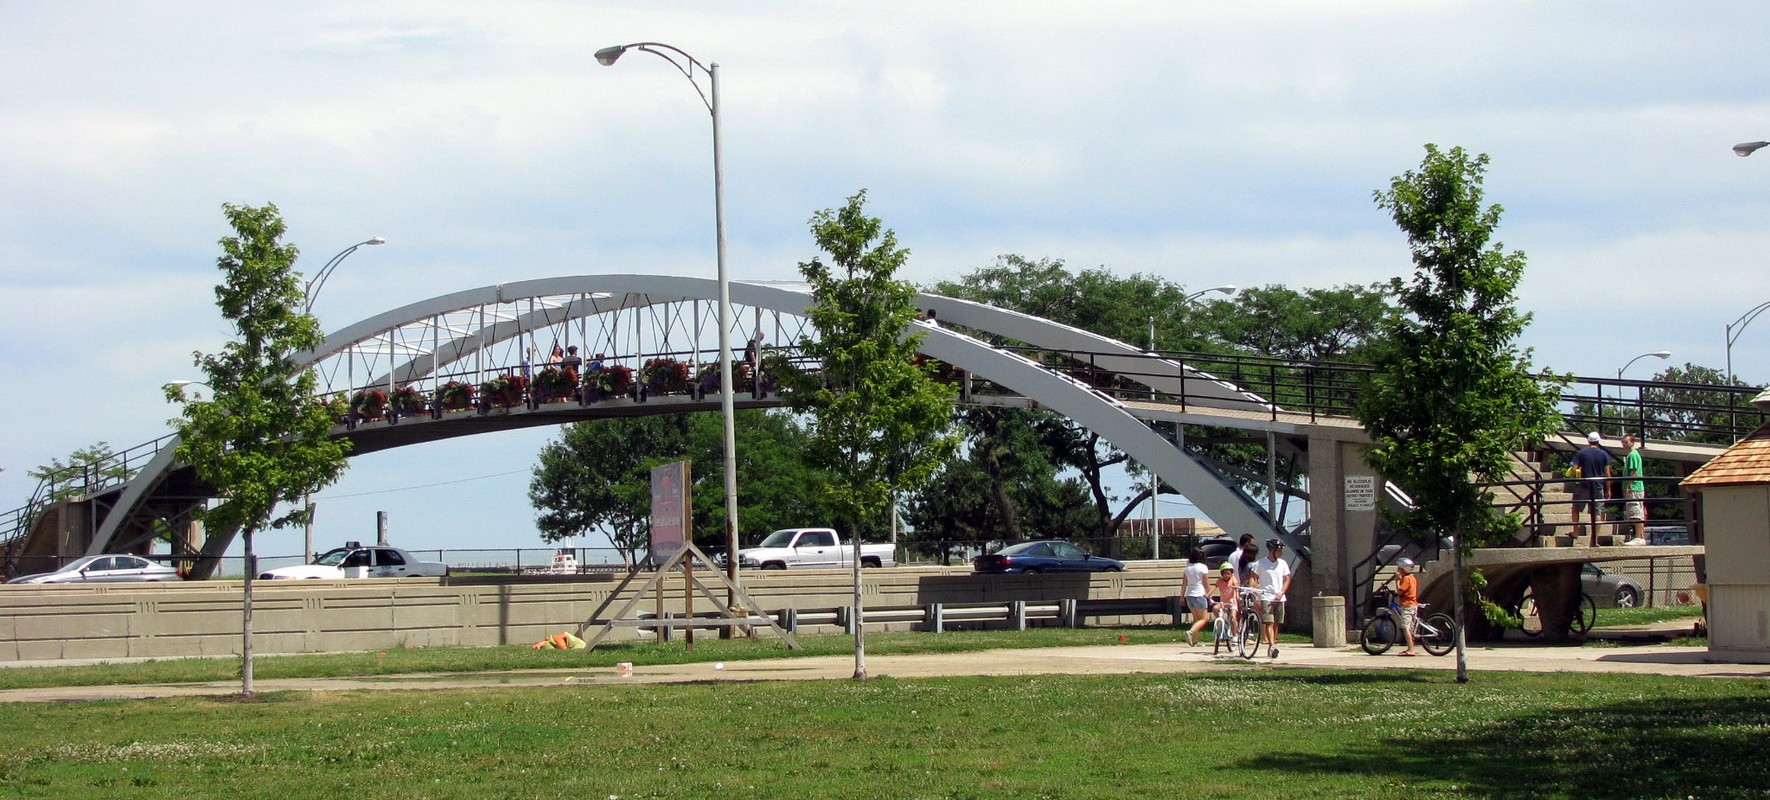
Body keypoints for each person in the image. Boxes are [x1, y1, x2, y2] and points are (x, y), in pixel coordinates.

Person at [1570, 432, 1614, 545]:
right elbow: (1607, 473)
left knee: (1575, 508)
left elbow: (1574, 469)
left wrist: (1576, 477)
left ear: (1588, 441)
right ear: (1598, 441)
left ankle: (1576, 531)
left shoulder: (1581, 453)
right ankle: (1594, 540)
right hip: (1598, 486)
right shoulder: (1604, 454)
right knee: (1597, 513)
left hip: (1584, 486)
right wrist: (1608, 489)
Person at [1253, 538, 1292, 659]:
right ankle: (1272, 645)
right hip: (1266, 596)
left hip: (1279, 597)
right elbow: (1253, 578)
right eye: (1279, 550)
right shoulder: (1260, 563)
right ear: (1272, 551)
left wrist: (1282, 592)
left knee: (1276, 623)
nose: (1281, 553)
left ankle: (1272, 645)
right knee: (1268, 621)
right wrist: (1256, 594)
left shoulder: (1282, 564)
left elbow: (1287, 579)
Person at [1620, 434, 1647, 544]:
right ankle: (1640, 536)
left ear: (1632, 442)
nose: (1623, 444)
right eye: (1622, 442)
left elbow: (1634, 472)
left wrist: (1628, 486)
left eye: (1626, 442)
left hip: (1634, 488)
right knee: (1635, 512)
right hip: (1635, 487)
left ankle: (1639, 537)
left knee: (1636, 513)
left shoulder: (1632, 455)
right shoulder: (1631, 455)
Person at [1183, 547, 1211, 646]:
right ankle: (1191, 632)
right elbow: (1206, 583)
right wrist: (1209, 594)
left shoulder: (1187, 568)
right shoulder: (1203, 567)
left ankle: (1195, 640)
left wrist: (1181, 596)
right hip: (1200, 594)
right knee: (1204, 618)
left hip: (1189, 595)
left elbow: (1184, 583)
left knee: (1196, 619)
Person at [1394, 557, 1420, 656]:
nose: (1397, 570)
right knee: (1410, 627)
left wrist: (1397, 580)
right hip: (1413, 604)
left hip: (1407, 605)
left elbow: (1399, 592)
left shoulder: (1406, 579)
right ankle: (1411, 647)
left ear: (1403, 569)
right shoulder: (1412, 577)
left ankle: (1411, 650)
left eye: (1399, 568)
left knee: (1406, 627)